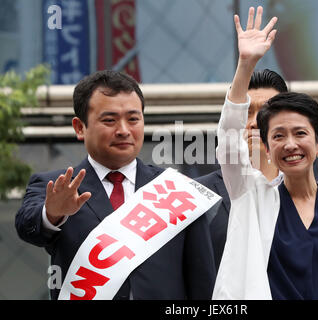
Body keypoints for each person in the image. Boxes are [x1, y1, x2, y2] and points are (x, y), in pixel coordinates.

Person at [212, 6, 318, 299]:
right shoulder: (250, 196)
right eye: (278, 136)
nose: (290, 144)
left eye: (300, 133)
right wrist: (245, 65)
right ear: (266, 146)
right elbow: (228, 142)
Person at [15, 70, 216, 300]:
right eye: (109, 120)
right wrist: (51, 214)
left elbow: (202, 280)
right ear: (80, 127)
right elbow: (27, 227)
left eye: (133, 119)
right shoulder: (58, 187)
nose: (123, 130)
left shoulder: (177, 191)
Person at [197, 68, 287, 271]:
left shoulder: (310, 198)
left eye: (265, 112)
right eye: (247, 113)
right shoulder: (198, 197)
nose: (255, 122)